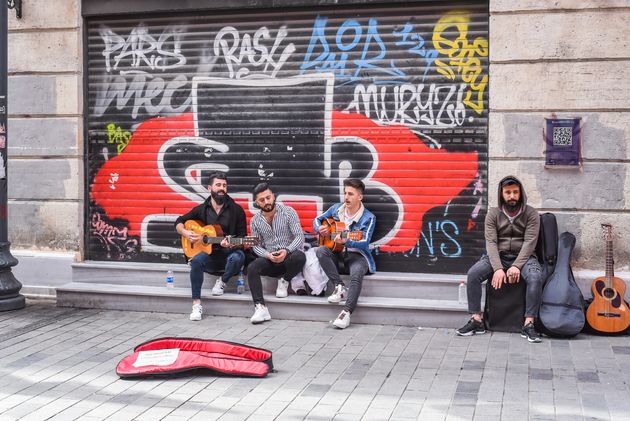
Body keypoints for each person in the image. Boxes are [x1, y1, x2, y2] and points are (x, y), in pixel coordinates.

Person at [456, 175, 544, 342]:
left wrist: (517, 266)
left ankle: (529, 324)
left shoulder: (531, 214)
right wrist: (498, 268)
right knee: (473, 274)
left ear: (521, 193)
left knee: (535, 277)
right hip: (498, 256)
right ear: (501, 194)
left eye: (515, 192)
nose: (512, 196)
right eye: (508, 192)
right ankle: (476, 320)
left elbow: (530, 242)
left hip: (524, 258)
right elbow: (491, 242)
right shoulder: (493, 214)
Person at [175, 172, 247, 321]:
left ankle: (222, 281)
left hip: (228, 256)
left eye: (224, 185)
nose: (222, 188)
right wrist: (186, 233)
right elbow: (179, 221)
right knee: (196, 260)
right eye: (218, 185)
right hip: (210, 257)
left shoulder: (237, 210)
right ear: (210, 188)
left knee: (238, 257)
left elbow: (244, 238)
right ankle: (196, 304)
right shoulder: (202, 209)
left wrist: (231, 244)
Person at [313, 179, 376, 329]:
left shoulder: (369, 217)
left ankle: (346, 312)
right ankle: (339, 286)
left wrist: (346, 241)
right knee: (321, 250)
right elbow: (317, 219)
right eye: (345, 193)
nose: (346, 197)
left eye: (351, 194)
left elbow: (365, 241)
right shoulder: (336, 209)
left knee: (356, 274)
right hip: (337, 253)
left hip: (358, 256)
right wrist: (318, 228)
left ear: (360, 197)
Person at [247, 183, 306, 324]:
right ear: (257, 202)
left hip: (289, 258)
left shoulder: (288, 212)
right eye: (262, 200)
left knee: (300, 256)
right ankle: (260, 307)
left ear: (273, 196)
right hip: (270, 259)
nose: (266, 202)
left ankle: (285, 280)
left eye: (268, 197)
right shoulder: (255, 221)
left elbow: (299, 236)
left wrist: (287, 251)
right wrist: (267, 255)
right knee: (252, 267)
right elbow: (256, 246)